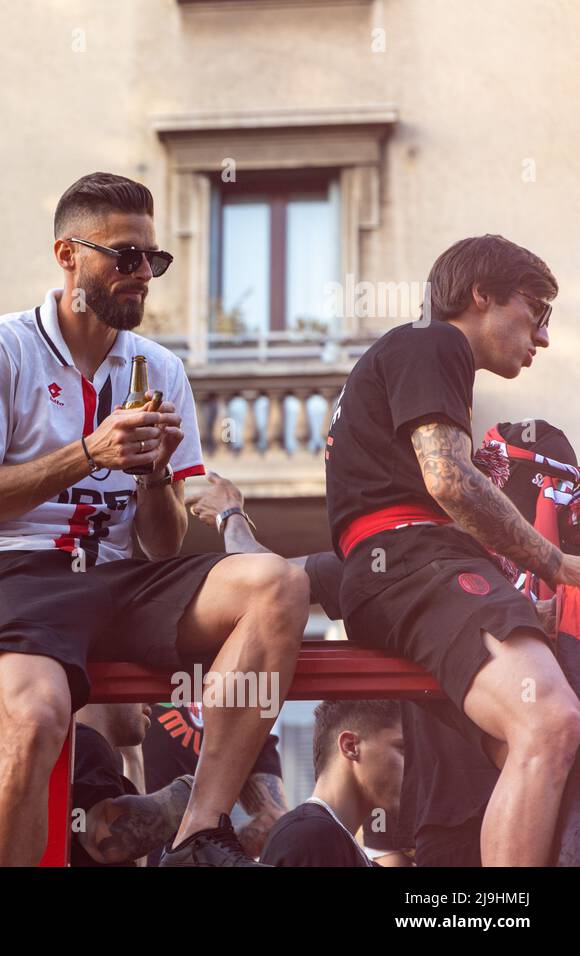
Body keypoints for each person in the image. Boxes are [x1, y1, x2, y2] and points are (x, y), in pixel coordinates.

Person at [0, 172, 309, 866]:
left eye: (153, 260)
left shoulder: (159, 368)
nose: (142, 274)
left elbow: (162, 545)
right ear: (67, 255)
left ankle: (199, 828)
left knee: (276, 584)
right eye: (125, 257)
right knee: (38, 717)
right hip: (9, 574)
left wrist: (156, 474)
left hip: (119, 577)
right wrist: (86, 453)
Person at [325, 234, 579, 866]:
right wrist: (556, 564)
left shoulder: (400, 361)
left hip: (402, 570)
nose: (542, 337)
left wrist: (513, 608)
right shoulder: (433, 342)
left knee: (523, 745)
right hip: (415, 565)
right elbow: (450, 481)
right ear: (481, 295)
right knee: (549, 720)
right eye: (537, 311)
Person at [261, 700, 403, 867]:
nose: (414, 766)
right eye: (401, 748)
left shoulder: (326, 839)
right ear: (350, 746)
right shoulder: (311, 838)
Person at [141, 700, 287, 860]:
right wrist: (201, 851)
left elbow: (274, 822)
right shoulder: (242, 714)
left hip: (128, 848)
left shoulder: (242, 715)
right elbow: (274, 823)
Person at [70, 703, 193, 867]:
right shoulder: (84, 739)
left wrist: (133, 758)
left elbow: (133, 856)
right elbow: (107, 841)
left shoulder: (85, 750)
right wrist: (194, 792)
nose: (151, 705)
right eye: (137, 686)